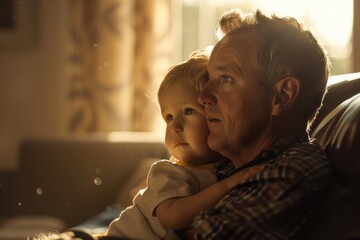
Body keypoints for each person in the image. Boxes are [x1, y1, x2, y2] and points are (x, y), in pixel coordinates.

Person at [34, 49, 264, 240]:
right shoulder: (168, 172)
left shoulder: (224, 169)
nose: (175, 127)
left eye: (189, 111)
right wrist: (227, 186)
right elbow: (172, 217)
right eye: (169, 117)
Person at [182, 9, 332, 240]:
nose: (204, 96)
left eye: (226, 79)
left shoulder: (293, 171)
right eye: (208, 79)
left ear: (281, 96)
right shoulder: (223, 163)